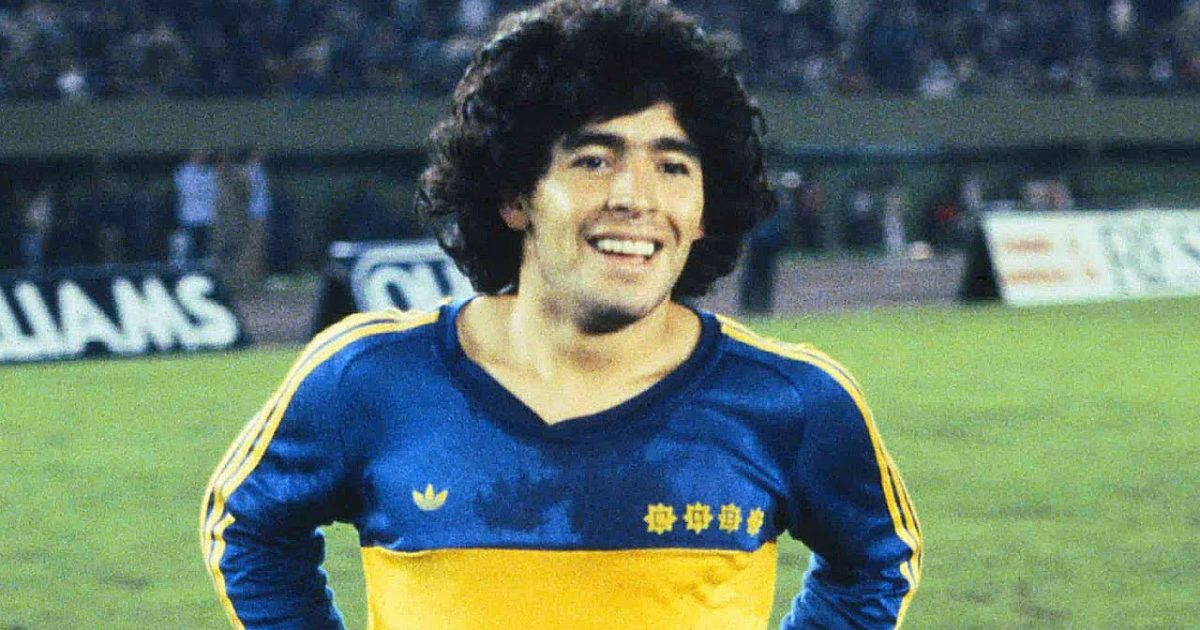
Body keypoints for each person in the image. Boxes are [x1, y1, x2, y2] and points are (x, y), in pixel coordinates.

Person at [200, 1, 923, 629]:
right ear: (514, 195)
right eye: (593, 161)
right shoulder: (369, 379)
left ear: (706, 209)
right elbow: (249, 526)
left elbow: (874, 561)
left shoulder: (792, 402)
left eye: (672, 166)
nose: (635, 197)